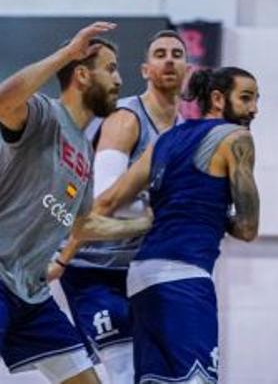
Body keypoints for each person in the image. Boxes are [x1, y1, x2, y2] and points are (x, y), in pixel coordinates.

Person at [0, 22, 155, 384]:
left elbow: (84, 225)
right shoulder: (43, 114)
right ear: (82, 74)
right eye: (110, 69)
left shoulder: (84, 150)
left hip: (31, 293)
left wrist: (146, 224)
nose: (118, 80)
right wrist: (67, 52)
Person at [87, 66, 260, 384]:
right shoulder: (237, 139)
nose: (254, 109)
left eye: (256, 100)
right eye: (246, 98)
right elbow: (248, 228)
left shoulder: (166, 139)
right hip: (185, 274)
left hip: (140, 278)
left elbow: (106, 202)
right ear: (218, 99)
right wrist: (209, 213)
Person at [48, 30, 189, 383]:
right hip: (95, 269)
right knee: (125, 371)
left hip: (143, 271)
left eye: (176, 53)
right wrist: (64, 257)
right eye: (160, 54)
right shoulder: (127, 118)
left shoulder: (186, 132)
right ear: (145, 70)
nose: (169, 59)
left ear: (188, 68)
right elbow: (104, 200)